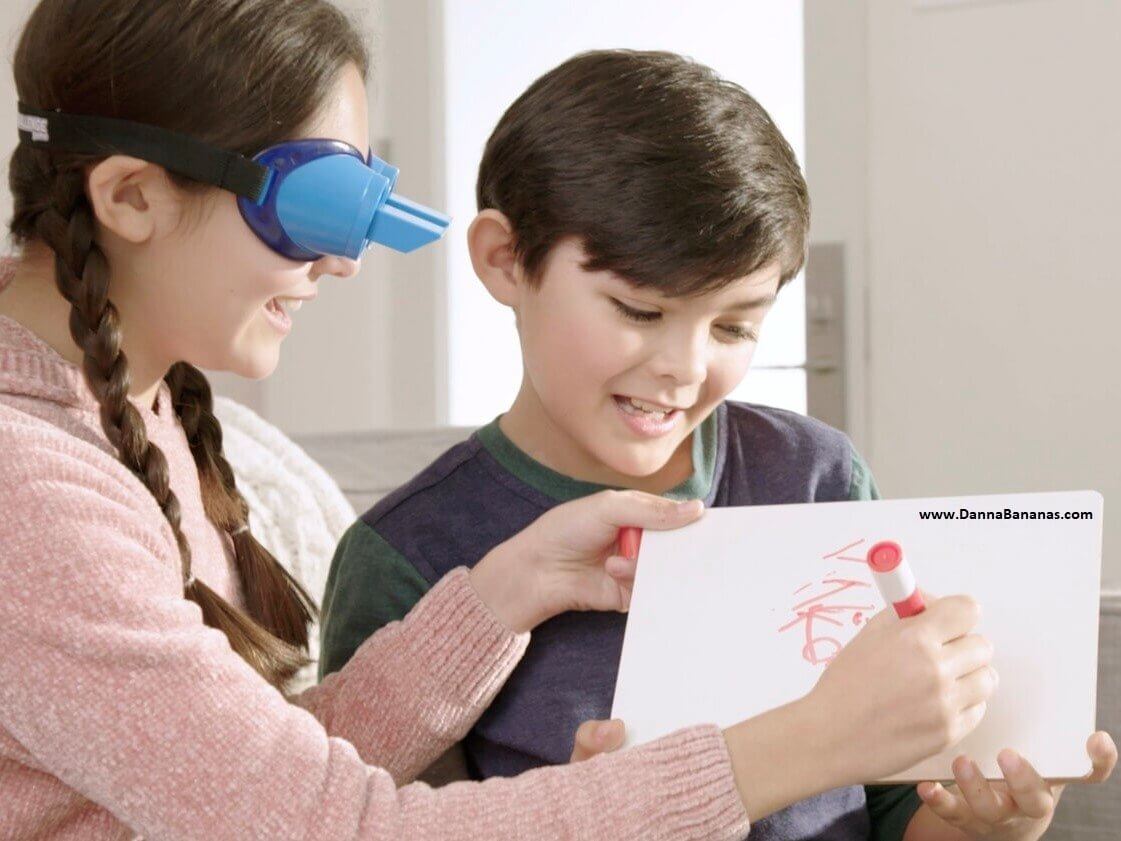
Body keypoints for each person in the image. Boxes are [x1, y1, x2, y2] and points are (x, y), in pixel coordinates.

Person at [318, 49, 1117, 841]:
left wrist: (984, 826)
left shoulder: (813, 476)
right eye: (637, 309)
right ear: (504, 259)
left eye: (734, 324)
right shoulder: (407, 557)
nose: (684, 367)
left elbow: (892, 811)